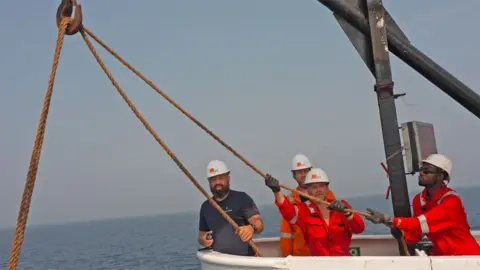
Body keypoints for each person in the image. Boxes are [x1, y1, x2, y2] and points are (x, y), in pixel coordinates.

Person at [365, 154, 480, 256]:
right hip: (444, 258)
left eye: (427, 171)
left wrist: (388, 219)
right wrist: (398, 230)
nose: (421, 173)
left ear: (441, 176)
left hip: (468, 258)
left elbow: (421, 223)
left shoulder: (451, 201)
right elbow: (415, 235)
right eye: (421, 169)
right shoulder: (419, 200)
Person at [265, 167, 365, 256]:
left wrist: (349, 214)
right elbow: (288, 211)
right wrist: (277, 191)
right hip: (319, 265)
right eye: (314, 187)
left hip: (345, 264)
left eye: (321, 186)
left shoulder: (342, 207)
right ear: (308, 190)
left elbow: (359, 228)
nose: (318, 190)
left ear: (327, 187)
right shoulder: (304, 211)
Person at [198, 159, 264, 256]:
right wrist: (203, 240)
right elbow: (201, 234)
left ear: (228, 179)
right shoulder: (205, 207)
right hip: (219, 262)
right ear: (209, 182)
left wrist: (251, 228)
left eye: (221, 178)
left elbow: (259, 223)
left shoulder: (242, 198)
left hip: (245, 261)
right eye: (213, 179)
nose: (217, 182)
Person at [280, 154, 337, 257]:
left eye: (305, 171)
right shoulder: (290, 202)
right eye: (299, 172)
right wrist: (287, 260)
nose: (303, 174)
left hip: (326, 256)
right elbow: (286, 235)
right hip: (302, 258)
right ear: (294, 175)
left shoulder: (328, 196)